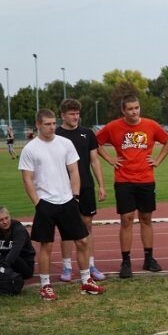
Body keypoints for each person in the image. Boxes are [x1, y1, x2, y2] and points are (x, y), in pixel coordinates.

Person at [19, 109, 105, 300]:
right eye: (47, 124)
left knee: (82, 241)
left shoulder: (65, 144)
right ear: (38, 125)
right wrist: (37, 203)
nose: (52, 127)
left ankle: (86, 281)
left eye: (53, 123)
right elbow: (27, 178)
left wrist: (74, 197)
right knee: (46, 246)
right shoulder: (30, 149)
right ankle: (45, 286)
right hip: (45, 203)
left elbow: (74, 171)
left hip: (67, 201)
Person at [96, 95, 168, 278]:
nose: (134, 112)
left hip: (146, 178)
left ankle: (149, 258)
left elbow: (167, 142)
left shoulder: (151, 125)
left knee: (146, 218)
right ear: (123, 110)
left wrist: (158, 160)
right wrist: (110, 159)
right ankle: (126, 261)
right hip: (124, 180)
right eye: (130, 109)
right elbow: (96, 142)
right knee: (127, 219)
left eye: (137, 108)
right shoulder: (114, 127)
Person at [56, 99, 107, 282]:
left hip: (85, 186)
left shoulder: (87, 133)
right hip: (63, 188)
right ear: (62, 115)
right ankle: (67, 267)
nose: (75, 117)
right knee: (67, 228)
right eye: (71, 113)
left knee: (87, 226)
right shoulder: (56, 135)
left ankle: (91, 264)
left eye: (77, 113)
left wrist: (101, 185)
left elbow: (94, 160)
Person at [0, 206, 36, 280]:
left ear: (10, 216)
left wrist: (2, 267)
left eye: (7, 218)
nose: (5, 222)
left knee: (12, 257)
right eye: (1, 220)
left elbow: (15, 252)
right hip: (5, 260)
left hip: (24, 264)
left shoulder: (18, 229)